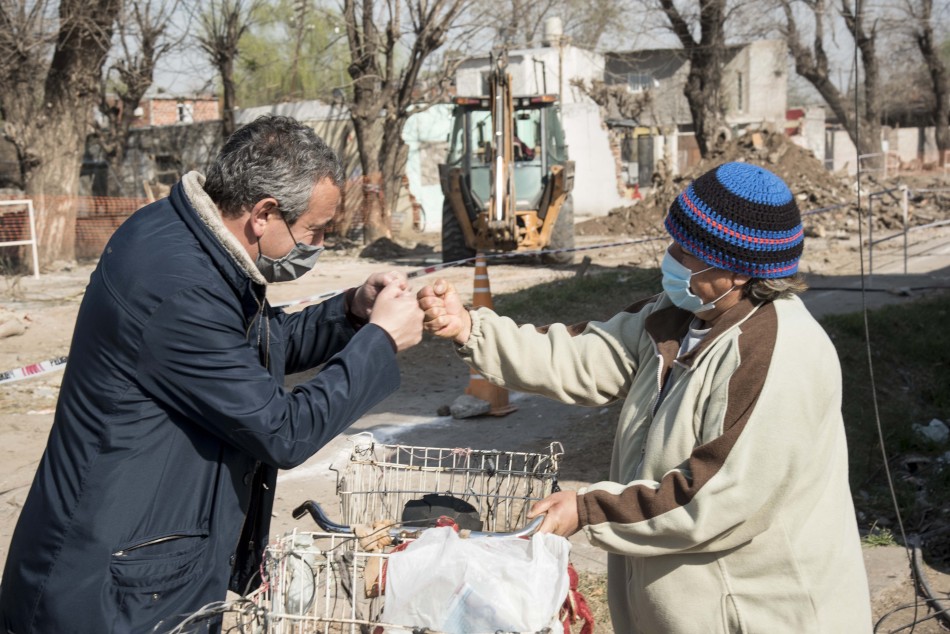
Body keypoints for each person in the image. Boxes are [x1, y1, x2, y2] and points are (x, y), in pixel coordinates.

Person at [0, 115, 424, 633]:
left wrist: (354, 312)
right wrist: (380, 342)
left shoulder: (187, 237)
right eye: (312, 231)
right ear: (264, 214)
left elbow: (259, 348)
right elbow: (281, 430)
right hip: (108, 590)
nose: (317, 245)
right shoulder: (182, 288)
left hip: (131, 562)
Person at [418, 162, 873, 632]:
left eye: (687, 251)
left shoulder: (779, 352)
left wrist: (589, 508)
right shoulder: (677, 314)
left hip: (757, 615)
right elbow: (586, 355)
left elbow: (714, 495)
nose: (671, 256)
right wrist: (472, 328)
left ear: (737, 272)